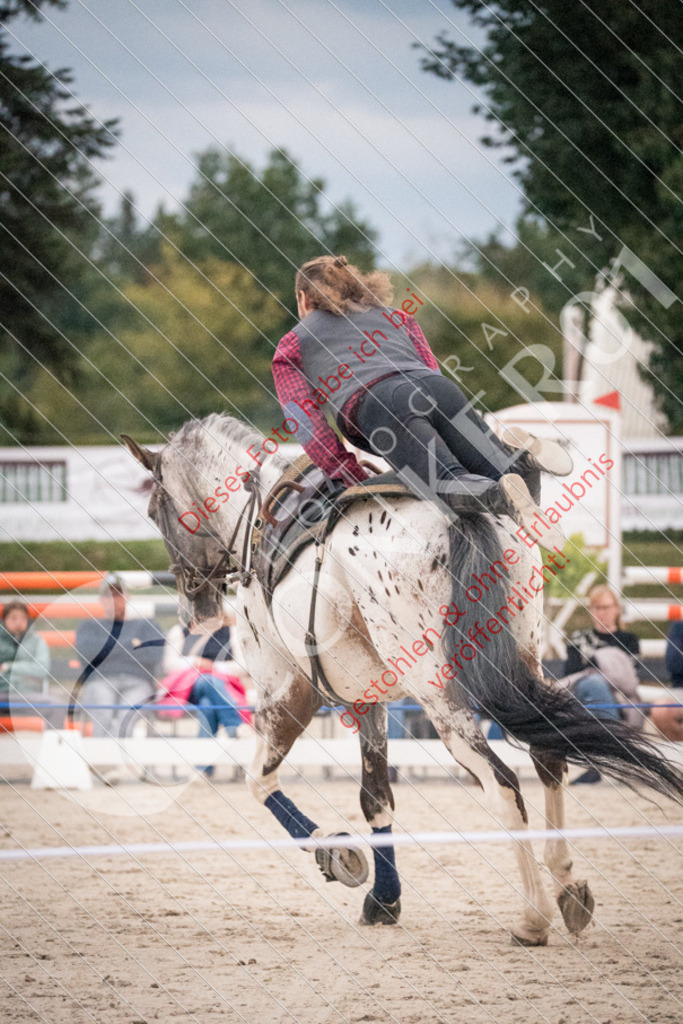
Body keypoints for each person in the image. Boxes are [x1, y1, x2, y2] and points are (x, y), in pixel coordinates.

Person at [272, 255, 574, 552]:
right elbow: (430, 368)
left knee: (444, 481)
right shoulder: (397, 317)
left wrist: (347, 473)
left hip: (383, 406)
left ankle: (500, 495)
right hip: (439, 390)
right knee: (497, 468)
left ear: (302, 298)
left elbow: (306, 421)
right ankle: (524, 461)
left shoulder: (292, 344)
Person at [563, 584, 642, 783]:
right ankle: (611, 751)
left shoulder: (629, 640)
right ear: (591, 611)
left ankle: (597, 764)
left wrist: (593, 666)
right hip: (581, 696)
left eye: (605, 607)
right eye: (596, 608)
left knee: (595, 686)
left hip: (620, 699)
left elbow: (628, 677)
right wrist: (602, 668)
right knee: (593, 685)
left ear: (616, 608)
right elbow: (571, 673)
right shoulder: (579, 638)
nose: (601, 613)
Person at [74, 574, 165, 738]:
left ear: (127, 597)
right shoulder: (89, 626)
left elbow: (154, 655)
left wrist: (107, 648)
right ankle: (108, 760)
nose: (113, 600)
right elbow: (87, 654)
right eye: (108, 595)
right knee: (103, 712)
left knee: (127, 716)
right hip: (100, 680)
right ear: (101, 600)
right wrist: (131, 644)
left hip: (138, 682)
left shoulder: (147, 624)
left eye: (118, 594)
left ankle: (108, 759)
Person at [160, 614, 251, 776]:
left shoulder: (232, 631)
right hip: (187, 688)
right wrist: (196, 663)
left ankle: (203, 768)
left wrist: (212, 667)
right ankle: (235, 726)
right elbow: (169, 665)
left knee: (207, 704)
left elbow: (242, 667)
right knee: (208, 681)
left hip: (223, 687)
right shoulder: (179, 631)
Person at [0, 600, 62, 728]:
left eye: (23, 618)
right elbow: (35, 669)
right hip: (2, 693)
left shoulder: (37, 641)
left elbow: (41, 670)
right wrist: (27, 669)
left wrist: (8, 667)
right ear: (4, 620)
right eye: (13, 618)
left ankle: (52, 747)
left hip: (26, 694)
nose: (18, 622)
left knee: (56, 706)